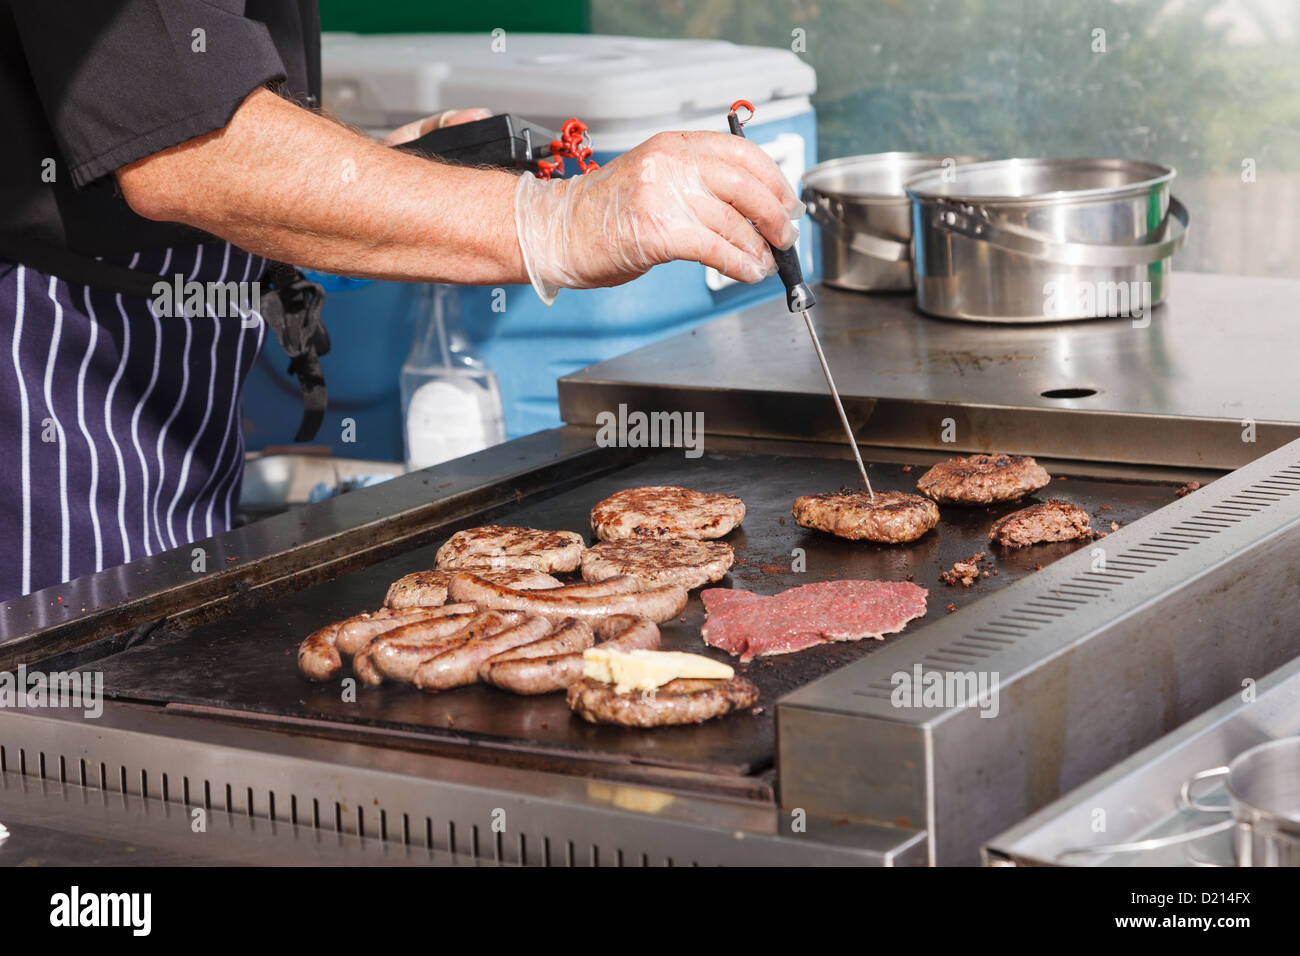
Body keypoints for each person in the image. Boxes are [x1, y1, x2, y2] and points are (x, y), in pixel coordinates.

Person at [0, 2, 800, 602]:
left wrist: (386, 178)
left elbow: (195, 114)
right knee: (59, 728)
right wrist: (556, 220)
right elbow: (186, 148)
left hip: (166, 411)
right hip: (47, 402)